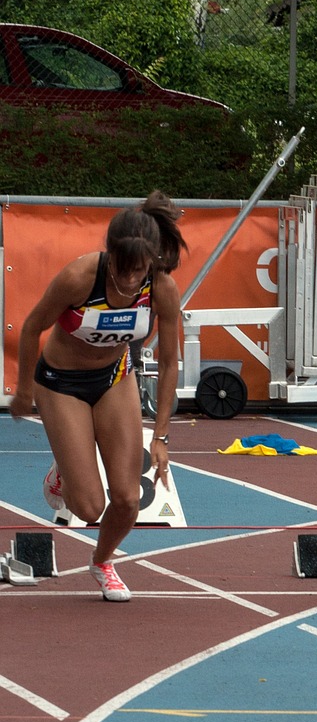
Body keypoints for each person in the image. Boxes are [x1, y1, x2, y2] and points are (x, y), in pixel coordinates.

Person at [10, 191, 184, 602]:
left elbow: (171, 362)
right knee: (88, 508)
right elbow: (32, 326)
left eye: (137, 271)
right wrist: (24, 391)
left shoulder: (162, 288)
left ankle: (103, 562)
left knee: (126, 498)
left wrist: (161, 436)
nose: (127, 279)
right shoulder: (80, 277)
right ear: (110, 255)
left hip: (114, 378)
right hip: (60, 382)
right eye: (121, 270)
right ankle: (64, 474)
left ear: (152, 261)